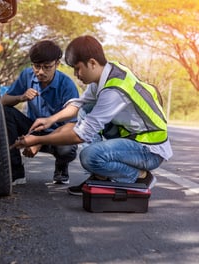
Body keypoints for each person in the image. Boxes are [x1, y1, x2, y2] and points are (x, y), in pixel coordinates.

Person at [10, 35, 173, 195]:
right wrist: (50, 120)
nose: (76, 74)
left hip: (149, 150)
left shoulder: (113, 90)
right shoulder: (107, 72)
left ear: (92, 63)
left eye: (77, 68)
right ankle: (99, 176)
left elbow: (81, 135)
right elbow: (79, 104)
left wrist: (38, 140)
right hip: (132, 138)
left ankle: (140, 176)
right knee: (86, 108)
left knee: (90, 157)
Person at [1, 40, 79, 185]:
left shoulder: (67, 85)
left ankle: (61, 167)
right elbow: (3, 100)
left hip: (58, 133)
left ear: (57, 64)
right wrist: (21, 97)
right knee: (5, 112)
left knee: (67, 150)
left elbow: (72, 126)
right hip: (33, 128)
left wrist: (38, 142)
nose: (41, 72)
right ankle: (16, 171)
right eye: (37, 66)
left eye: (47, 67)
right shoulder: (27, 75)